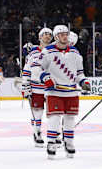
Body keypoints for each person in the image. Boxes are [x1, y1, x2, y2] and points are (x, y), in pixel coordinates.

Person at [39, 25, 91, 159]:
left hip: (71, 91)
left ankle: (69, 142)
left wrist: (83, 82)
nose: (65, 36)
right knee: (55, 118)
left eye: (66, 34)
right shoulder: (47, 51)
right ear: (56, 37)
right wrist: (46, 78)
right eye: (62, 34)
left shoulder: (75, 52)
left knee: (70, 118)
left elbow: (79, 73)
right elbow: (38, 68)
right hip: (54, 92)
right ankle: (51, 142)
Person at [22, 27, 53, 146]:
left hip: (51, 87)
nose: (47, 36)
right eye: (44, 34)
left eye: (49, 34)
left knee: (54, 113)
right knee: (37, 112)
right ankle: (37, 132)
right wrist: (25, 84)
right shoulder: (33, 52)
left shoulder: (53, 51)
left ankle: (54, 135)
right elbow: (27, 70)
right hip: (36, 87)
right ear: (40, 37)